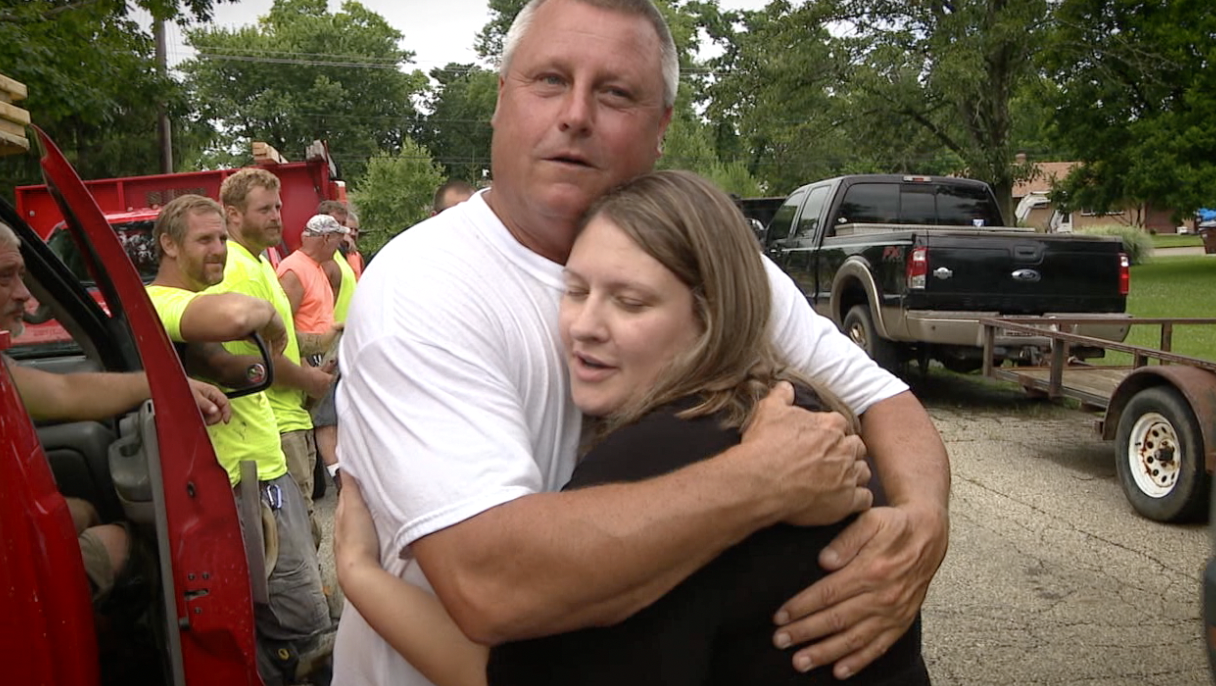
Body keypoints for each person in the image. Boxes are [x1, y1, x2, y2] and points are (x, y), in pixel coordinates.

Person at [333, 1, 949, 684]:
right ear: (498, 102)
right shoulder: (424, 288)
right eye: (548, 80)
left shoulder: (705, 265)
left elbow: (883, 397)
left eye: (615, 92)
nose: (574, 114)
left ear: (661, 130)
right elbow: (491, 587)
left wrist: (922, 525)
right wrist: (760, 481)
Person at [145, 194, 332, 685]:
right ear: (168, 244)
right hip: (239, 488)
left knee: (283, 634)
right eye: (205, 239)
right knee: (303, 634)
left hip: (264, 479)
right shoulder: (160, 300)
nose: (219, 249)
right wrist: (269, 317)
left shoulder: (194, 305)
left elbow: (233, 365)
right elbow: (233, 318)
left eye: (222, 239)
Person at [213, 168, 335, 545]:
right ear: (233, 214)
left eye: (278, 207)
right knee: (298, 535)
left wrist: (326, 341)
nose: (276, 216)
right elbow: (256, 359)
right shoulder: (239, 271)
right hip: (274, 422)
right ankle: (311, 604)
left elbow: (282, 339)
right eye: (264, 209)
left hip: (288, 415)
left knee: (305, 522)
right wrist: (311, 380)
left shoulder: (261, 260)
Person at [276, 214, 345, 360]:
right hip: (308, 357)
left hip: (321, 354)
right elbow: (283, 326)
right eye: (337, 241)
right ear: (326, 239)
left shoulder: (317, 266)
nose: (338, 247)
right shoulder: (294, 271)